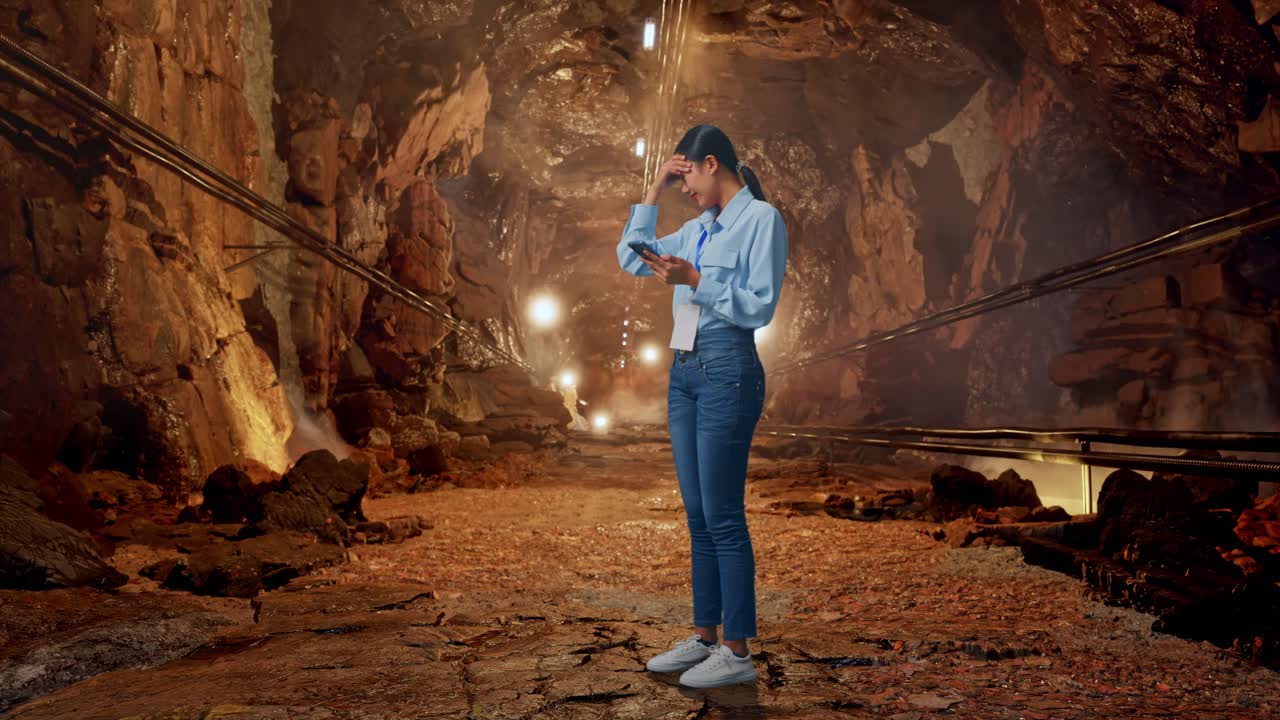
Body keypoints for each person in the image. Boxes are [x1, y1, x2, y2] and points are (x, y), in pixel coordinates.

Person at [615, 124, 788, 688]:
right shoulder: (696, 230)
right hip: (685, 370)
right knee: (696, 514)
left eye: (688, 177)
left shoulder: (761, 219)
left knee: (723, 515)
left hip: (727, 368)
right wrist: (655, 189)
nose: (686, 190)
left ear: (711, 164)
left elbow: (760, 306)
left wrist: (698, 282)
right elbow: (629, 258)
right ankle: (705, 636)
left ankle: (737, 652)